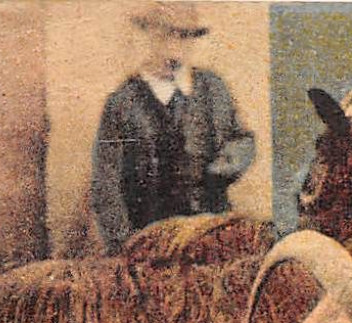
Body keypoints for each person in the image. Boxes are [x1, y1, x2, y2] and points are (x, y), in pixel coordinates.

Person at [90, 1, 255, 253]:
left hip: (208, 236)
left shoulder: (213, 89)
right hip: (149, 243)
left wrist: (220, 170)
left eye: (185, 38)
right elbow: (106, 185)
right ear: (150, 36)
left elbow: (243, 140)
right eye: (166, 36)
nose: (175, 49)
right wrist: (126, 246)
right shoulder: (122, 103)